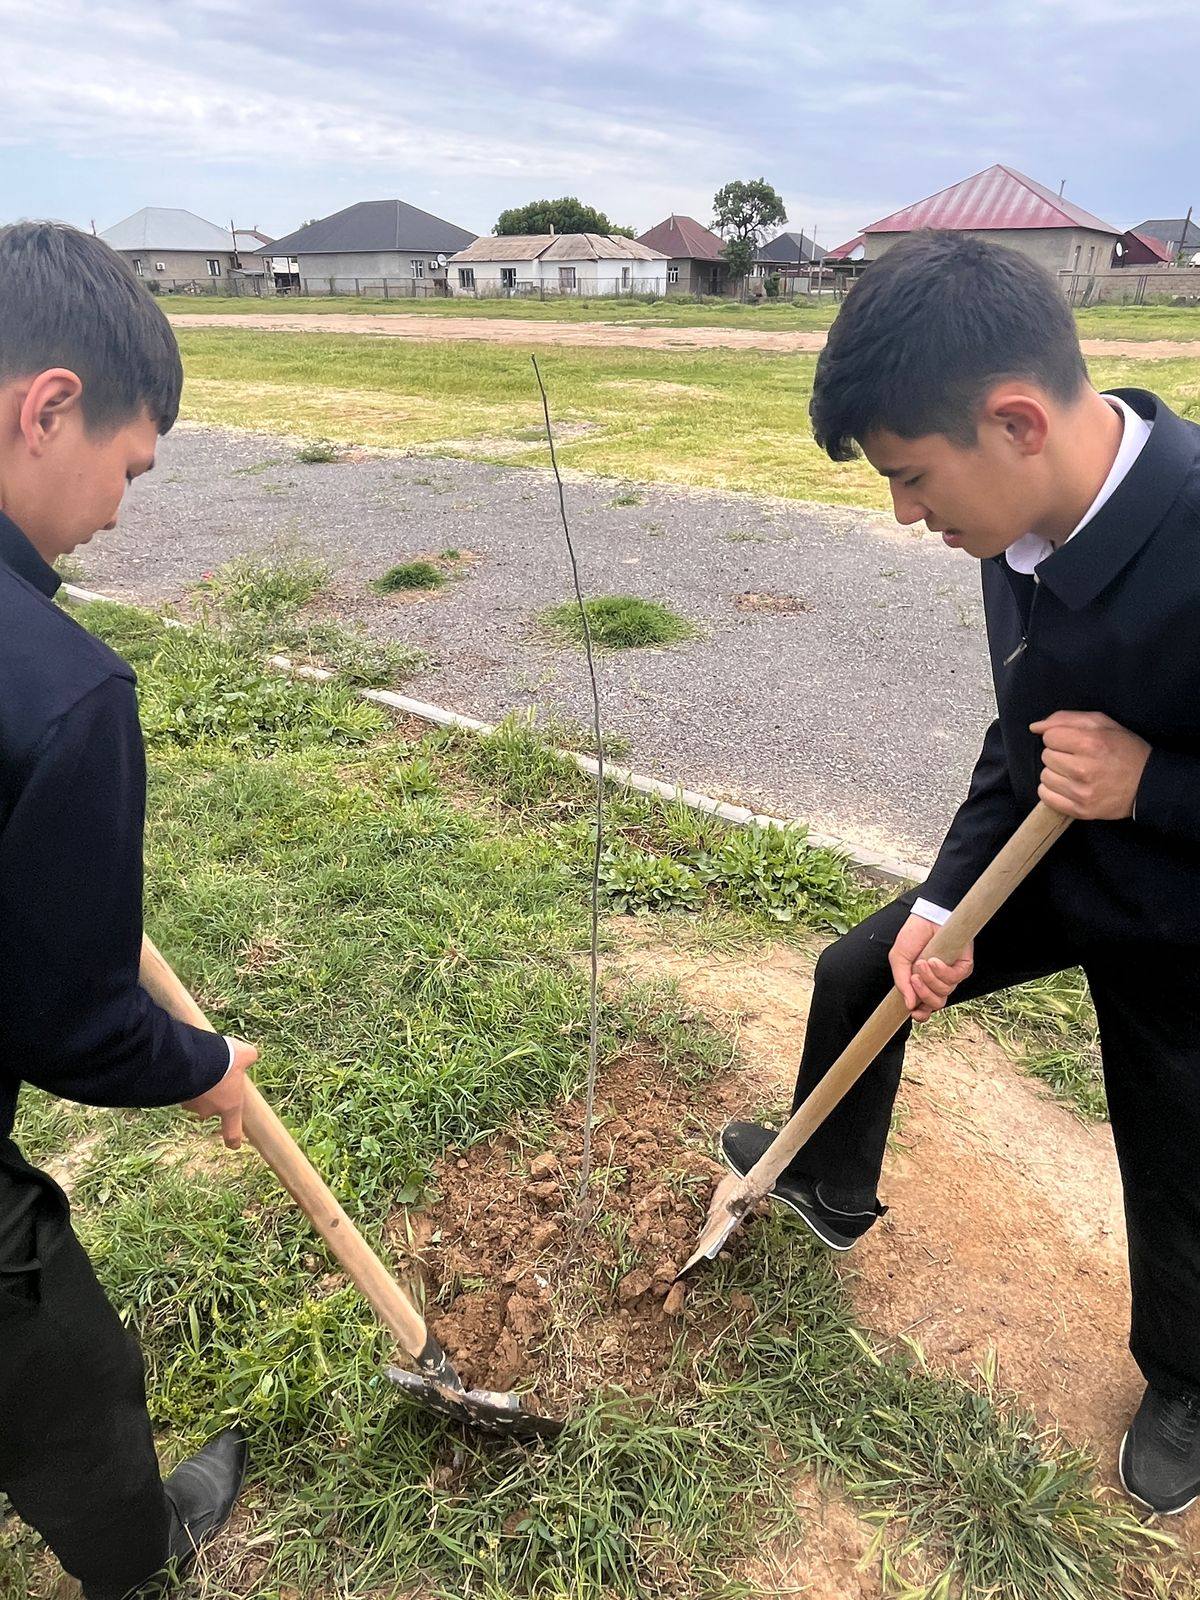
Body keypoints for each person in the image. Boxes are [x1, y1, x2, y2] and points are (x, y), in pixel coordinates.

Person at [720, 231, 1200, 1516]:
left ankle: (1189, 1381)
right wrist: (944, 901)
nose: (905, 514)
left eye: (912, 477)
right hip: (1057, 857)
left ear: (1016, 422)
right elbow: (1025, 735)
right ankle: (827, 1179)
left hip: (1183, 911)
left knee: (1176, 1142)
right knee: (867, 969)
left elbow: (1108, 769)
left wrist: (1152, 784)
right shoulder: (1016, 528)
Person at [0, 221, 256, 1597]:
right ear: (49, 408)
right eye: (129, 468)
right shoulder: (63, 692)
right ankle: (134, 1546)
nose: (118, 510)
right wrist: (202, 1062)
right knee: (72, 1371)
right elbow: (75, 1023)